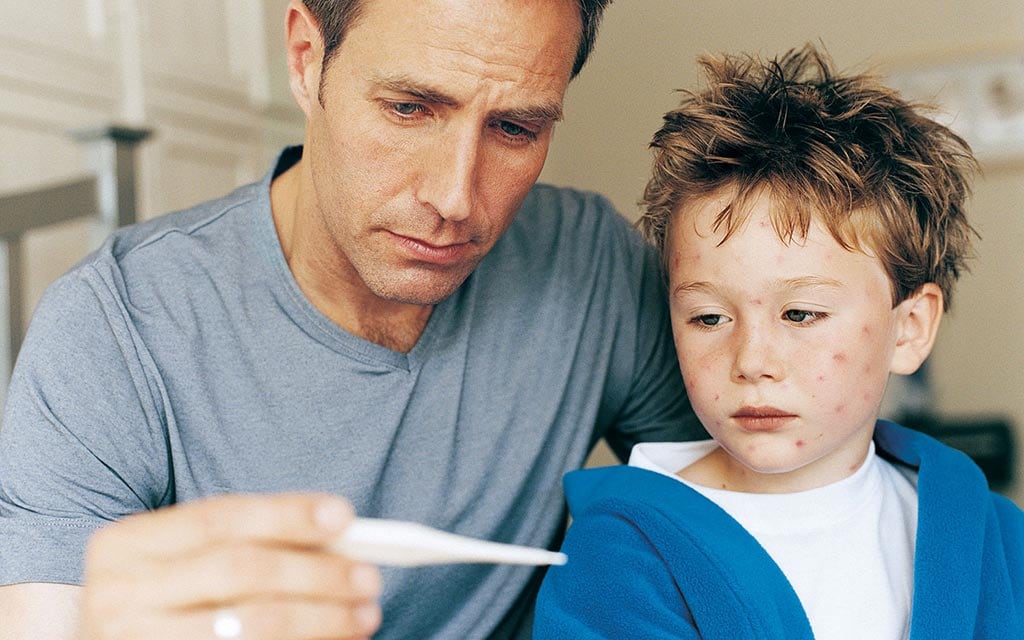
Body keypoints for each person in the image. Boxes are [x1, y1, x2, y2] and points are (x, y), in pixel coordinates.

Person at [0, 1, 700, 638]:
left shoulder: (592, 266)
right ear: (308, 59)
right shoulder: (113, 328)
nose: (455, 197)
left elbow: (749, 503)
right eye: (408, 108)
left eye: (515, 128)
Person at [533, 44, 1024, 639]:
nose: (752, 362)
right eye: (709, 318)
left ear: (910, 328)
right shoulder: (618, 561)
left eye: (801, 313)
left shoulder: (990, 535)